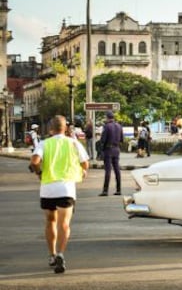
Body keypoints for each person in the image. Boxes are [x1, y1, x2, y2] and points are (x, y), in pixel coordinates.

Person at [29, 115, 89, 274]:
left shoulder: (44, 143)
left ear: (50, 129)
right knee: (64, 224)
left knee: (50, 221)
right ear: (66, 128)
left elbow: (34, 161)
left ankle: (51, 255)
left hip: (48, 189)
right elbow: (85, 163)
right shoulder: (74, 143)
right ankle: (61, 253)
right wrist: (83, 171)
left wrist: (39, 173)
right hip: (66, 189)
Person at [99, 111, 123, 196]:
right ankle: (119, 189)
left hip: (108, 149)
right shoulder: (119, 126)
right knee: (117, 170)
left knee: (108, 170)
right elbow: (122, 140)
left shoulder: (107, 126)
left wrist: (101, 151)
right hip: (117, 149)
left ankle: (105, 191)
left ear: (107, 117)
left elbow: (103, 140)